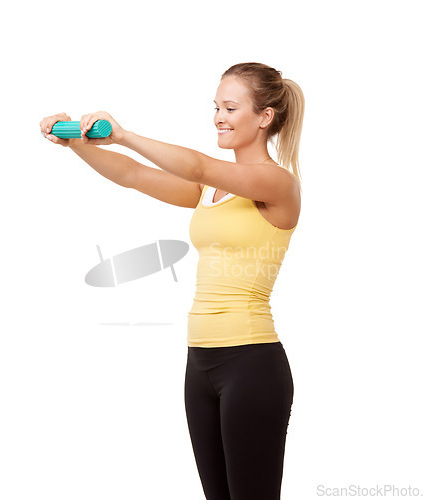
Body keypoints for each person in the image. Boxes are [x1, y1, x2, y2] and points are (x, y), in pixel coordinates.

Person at [40, 61, 304, 500]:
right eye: (216, 107)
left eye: (230, 107)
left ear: (265, 116)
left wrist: (123, 134)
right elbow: (133, 176)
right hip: (199, 364)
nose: (218, 116)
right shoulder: (212, 193)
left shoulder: (277, 184)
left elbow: (199, 166)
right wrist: (74, 143)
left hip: (251, 365)